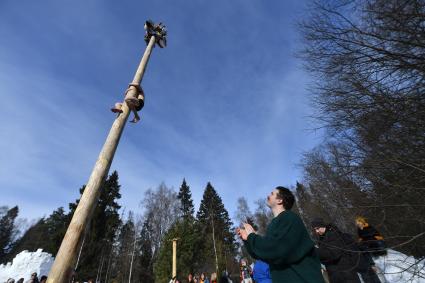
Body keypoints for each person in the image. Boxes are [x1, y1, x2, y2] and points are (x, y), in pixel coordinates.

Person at [236, 186, 325, 283]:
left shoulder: (290, 218)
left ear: (279, 200)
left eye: (272, 193)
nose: (268, 195)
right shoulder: (273, 224)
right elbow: (264, 254)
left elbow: (277, 249)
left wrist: (252, 237)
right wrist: (247, 240)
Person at [311, 218, 361, 283]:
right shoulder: (321, 240)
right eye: (315, 230)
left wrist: (316, 251)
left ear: (322, 225)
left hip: (346, 274)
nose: (316, 231)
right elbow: (325, 259)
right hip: (336, 275)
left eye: (318, 228)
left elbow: (333, 254)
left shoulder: (332, 234)